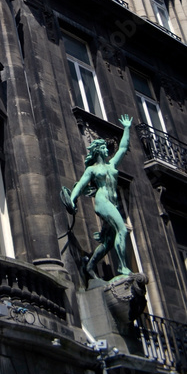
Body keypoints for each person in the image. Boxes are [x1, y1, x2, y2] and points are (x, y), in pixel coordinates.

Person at [62, 115, 133, 278]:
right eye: (104, 147)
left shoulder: (111, 164)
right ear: (98, 149)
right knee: (122, 229)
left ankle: (90, 265)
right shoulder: (92, 170)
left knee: (108, 243)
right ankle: (123, 268)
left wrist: (127, 129)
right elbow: (80, 185)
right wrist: (71, 199)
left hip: (113, 203)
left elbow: (122, 148)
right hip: (102, 201)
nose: (107, 149)